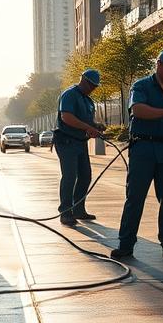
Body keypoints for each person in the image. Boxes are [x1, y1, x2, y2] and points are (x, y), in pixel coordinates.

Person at [111, 47, 163, 262]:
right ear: (159, 64)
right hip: (143, 150)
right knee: (135, 199)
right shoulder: (141, 86)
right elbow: (137, 110)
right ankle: (126, 245)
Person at [54, 69, 103, 226]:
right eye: (90, 84)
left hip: (80, 142)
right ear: (83, 79)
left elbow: (86, 120)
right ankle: (66, 212)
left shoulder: (88, 101)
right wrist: (88, 128)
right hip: (67, 142)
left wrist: (95, 126)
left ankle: (79, 209)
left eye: (95, 86)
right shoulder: (69, 95)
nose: (92, 88)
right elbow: (66, 117)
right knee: (70, 176)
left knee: (85, 175)